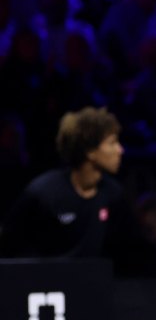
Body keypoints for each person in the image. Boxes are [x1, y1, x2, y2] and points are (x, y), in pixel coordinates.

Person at [0, 107, 126, 259]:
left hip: (92, 281)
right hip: (45, 281)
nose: (120, 150)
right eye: (112, 143)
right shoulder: (43, 192)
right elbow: (8, 240)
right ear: (90, 152)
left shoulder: (114, 193)